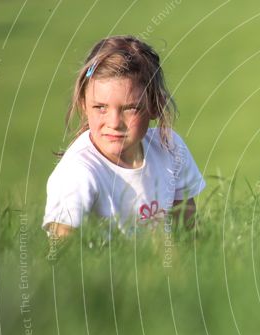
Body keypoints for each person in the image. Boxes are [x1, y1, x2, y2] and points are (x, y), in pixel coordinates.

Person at [42, 35, 205, 238]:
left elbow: (190, 236)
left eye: (130, 108)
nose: (114, 123)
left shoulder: (170, 149)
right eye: (100, 107)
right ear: (83, 104)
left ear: (155, 105)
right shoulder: (77, 174)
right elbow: (60, 257)